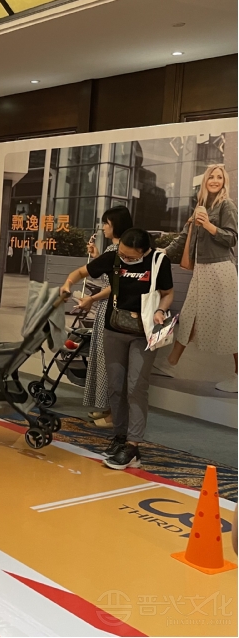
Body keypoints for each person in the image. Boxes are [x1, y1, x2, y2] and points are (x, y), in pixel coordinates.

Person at [61, 229, 174, 470]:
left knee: (136, 388)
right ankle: (120, 437)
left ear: (144, 251)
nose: (125, 259)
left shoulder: (158, 261)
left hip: (143, 334)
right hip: (113, 329)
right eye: (122, 254)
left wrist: (160, 310)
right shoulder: (113, 257)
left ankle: (133, 447)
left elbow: (167, 294)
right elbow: (80, 272)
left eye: (131, 257)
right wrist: (68, 284)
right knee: (115, 386)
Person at [163, 164, 238, 392]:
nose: (215, 180)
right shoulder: (200, 206)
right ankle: (171, 363)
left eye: (219, 177)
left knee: (230, 322)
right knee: (189, 315)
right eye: (211, 177)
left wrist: (208, 225)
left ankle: (238, 375)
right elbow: (185, 236)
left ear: (224, 182)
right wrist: (164, 251)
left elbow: (232, 238)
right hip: (202, 270)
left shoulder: (226, 205)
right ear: (205, 181)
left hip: (221, 269)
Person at [77, 206, 134, 425]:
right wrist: (98, 257)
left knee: (111, 363)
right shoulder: (115, 249)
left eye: (106, 223)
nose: (103, 227)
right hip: (107, 311)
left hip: (114, 312)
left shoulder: (122, 250)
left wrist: (91, 299)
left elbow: (116, 285)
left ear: (116, 225)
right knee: (105, 361)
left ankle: (113, 415)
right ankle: (108, 409)